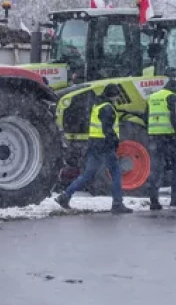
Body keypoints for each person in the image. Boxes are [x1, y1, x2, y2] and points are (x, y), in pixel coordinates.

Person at [54, 84, 133, 214]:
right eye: (117, 95)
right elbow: (107, 129)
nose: (118, 98)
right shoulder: (108, 108)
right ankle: (117, 203)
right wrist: (114, 141)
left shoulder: (98, 106)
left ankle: (65, 196)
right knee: (116, 172)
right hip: (105, 146)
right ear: (113, 95)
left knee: (88, 174)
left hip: (94, 145)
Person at [146, 77, 176, 210]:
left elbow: (145, 115)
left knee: (156, 168)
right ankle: (175, 199)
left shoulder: (152, 97)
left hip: (154, 136)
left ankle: (154, 200)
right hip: (169, 136)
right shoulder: (172, 97)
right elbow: (175, 117)